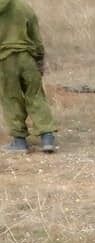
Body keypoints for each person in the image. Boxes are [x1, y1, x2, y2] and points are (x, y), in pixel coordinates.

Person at [0, 0, 56, 153]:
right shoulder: (23, 6)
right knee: (36, 95)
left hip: (4, 61)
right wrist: (39, 60)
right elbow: (36, 38)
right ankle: (47, 137)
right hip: (27, 58)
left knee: (11, 98)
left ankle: (19, 142)